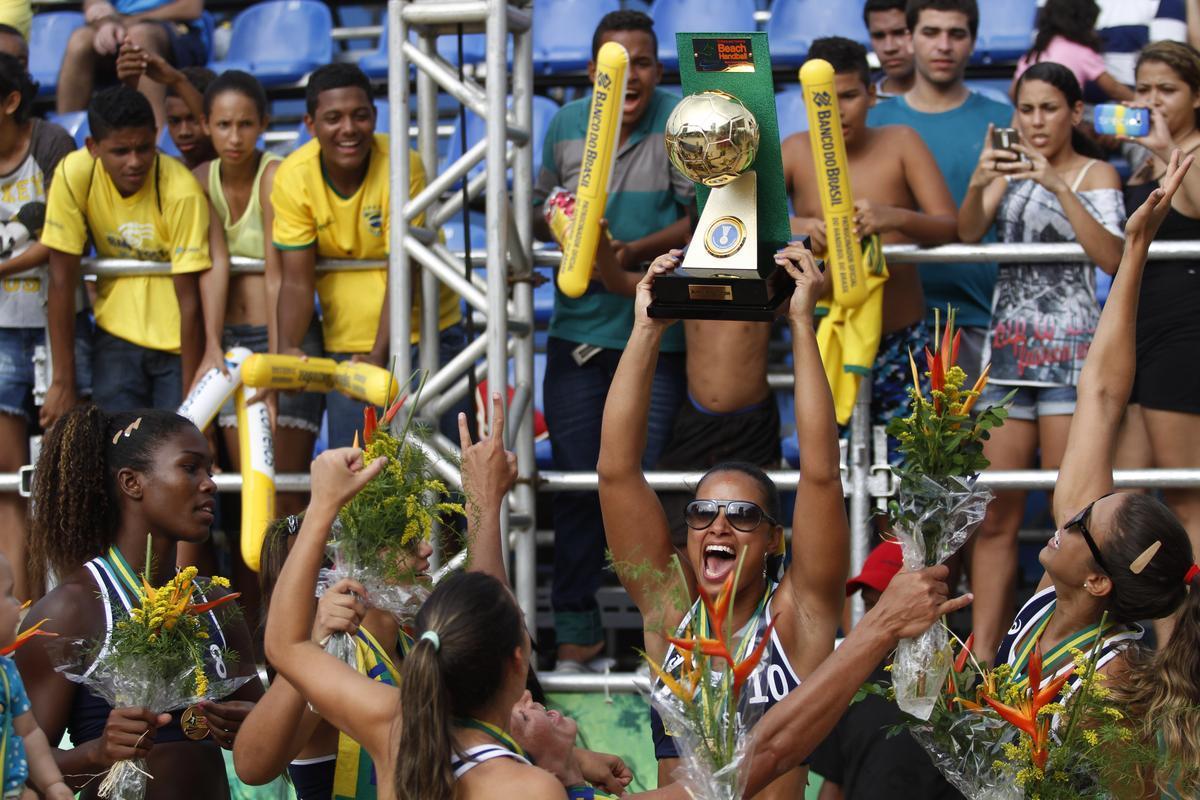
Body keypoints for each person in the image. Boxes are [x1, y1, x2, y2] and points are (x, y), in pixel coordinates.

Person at [599, 243, 847, 800]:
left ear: (774, 537)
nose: (718, 526)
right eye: (702, 513)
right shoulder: (670, 610)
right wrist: (647, 330)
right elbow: (616, 472)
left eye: (741, 515)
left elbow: (822, 476)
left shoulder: (800, 616)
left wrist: (802, 323)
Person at [988, 148, 1200, 798]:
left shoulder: (1114, 682)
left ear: (1098, 581)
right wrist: (1136, 249)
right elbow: (1102, 395)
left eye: (1084, 522)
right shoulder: (1074, 578)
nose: (1071, 509)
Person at [234, 393, 532, 800]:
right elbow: (252, 765)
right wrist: (317, 642)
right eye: (407, 541)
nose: (426, 550)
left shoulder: (421, 647)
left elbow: (493, 628)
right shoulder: (340, 653)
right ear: (352, 558)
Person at [531, 9, 692, 670]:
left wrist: (625, 255)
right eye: (615, 63)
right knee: (574, 490)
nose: (630, 74)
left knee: (636, 490)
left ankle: (657, 638)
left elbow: (697, 219)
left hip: (652, 338)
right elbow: (545, 203)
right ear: (594, 70)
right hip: (575, 338)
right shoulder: (567, 123)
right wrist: (572, 229)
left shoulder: (684, 119)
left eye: (643, 61)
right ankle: (577, 635)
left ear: (658, 67)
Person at [958, 62, 1126, 659]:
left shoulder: (1098, 171)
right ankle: (983, 658)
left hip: (1071, 362)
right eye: (1025, 109)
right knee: (995, 519)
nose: (1035, 121)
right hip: (1006, 360)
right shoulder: (1006, 168)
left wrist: (1058, 183)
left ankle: (1063, 652)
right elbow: (967, 230)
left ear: (1075, 113)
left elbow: (1112, 257)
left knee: (1070, 524)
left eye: (1048, 108)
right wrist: (982, 181)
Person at [14, 405, 262, 800]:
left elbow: (268, 752)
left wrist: (254, 727)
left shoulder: (216, 603)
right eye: (191, 468)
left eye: (210, 471)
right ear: (132, 483)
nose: (210, 484)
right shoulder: (70, 610)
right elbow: (15, 774)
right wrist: (95, 753)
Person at [272, 63, 464, 450]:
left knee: (444, 474)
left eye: (360, 115)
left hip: (426, 335)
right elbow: (295, 279)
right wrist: (288, 347)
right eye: (333, 118)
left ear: (374, 117)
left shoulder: (402, 164)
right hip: (346, 348)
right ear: (310, 124)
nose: (348, 128)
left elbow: (403, 270)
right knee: (360, 480)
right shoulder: (294, 176)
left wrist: (380, 354)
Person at [783, 37, 957, 450]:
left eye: (848, 96)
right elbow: (749, 222)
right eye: (823, 98)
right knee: (831, 473)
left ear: (872, 94)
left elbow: (950, 226)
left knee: (911, 477)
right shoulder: (793, 151)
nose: (837, 109)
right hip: (827, 337)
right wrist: (802, 225)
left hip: (903, 341)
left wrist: (893, 217)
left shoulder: (901, 142)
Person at [40, 85, 209, 424]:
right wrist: (62, 381)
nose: (134, 162)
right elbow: (61, 279)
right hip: (114, 336)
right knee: (117, 455)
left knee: (172, 451)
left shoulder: (181, 190)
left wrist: (194, 406)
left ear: (156, 137)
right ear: (93, 147)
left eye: (144, 148)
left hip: (178, 345)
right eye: (120, 151)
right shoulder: (74, 174)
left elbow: (190, 302)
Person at [192, 71, 320, 508]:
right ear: (207, 124)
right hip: (228, 345)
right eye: (224, 125)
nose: (234, 137)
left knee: (282, 493)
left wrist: (280, 355)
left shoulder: (275, 175)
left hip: (281, 335)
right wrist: (211, 344)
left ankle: (292, 580)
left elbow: (277, 274)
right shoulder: (198, 178)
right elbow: (213, 266)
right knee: (251, 493)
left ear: (264, 124)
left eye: (245, 124)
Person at [868, 0, 1013, 383]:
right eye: (931, 32)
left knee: (975, 442)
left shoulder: (1005, 121)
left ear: (973, 41)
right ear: (910, 38)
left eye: (957, 34)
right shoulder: (872, 121)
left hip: (980, 313)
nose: (944, 45)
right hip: (888, 318)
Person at [1119, 41, 1200, 621]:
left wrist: (1170, 149)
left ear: (1196, 97)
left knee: (1184, 498)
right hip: (1140, 328)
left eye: (1166, 90)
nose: (1152, 101)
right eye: (1143, 89)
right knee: (1123, 497)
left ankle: (1183, 650)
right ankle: (1134, 644)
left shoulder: (1186, 150)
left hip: (1185, 330)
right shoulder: (1145, 156)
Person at [0, 54, 76, 601]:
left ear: (10, 102)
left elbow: (63, 237)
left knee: (66, 478)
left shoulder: (51, 144)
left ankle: (71, 614)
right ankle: (20, 616)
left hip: (62, 329)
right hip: (2, 331)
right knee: (7, 481)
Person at [809, 541, 965, 800]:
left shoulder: (960, 683)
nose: (879, 617)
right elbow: (834, 784)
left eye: (887, 604)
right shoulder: (852, 681)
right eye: (871, 605)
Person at [56, 0, 209, 125]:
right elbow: (93, 4)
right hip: (120, 23)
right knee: (80, 40)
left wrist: (133, 20)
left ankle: (157, 138)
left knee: (139, 36)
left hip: (177, 29)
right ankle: (64, 141)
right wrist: (105, 23)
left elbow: (191, 8)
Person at [0, 554, 74, 800]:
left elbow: (29, 732)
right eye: (8, 595)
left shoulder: (7, 674)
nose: (17, 604)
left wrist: (52, 783)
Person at [115, 39, 213, 169]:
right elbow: (114, 138)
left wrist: (177, 81)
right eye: (174, 121)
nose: (184, 132)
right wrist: (129, 86)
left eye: (193, 119)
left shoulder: (240, 168)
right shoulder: (166, 169)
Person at [1014, 0, 1135, 102]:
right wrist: (1140, 103)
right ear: (1083, 23)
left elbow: (1013, 92)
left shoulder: (1037, 51)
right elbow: (1114, 89)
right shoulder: (1082, 52)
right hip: (1063, 123)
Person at [1093, 0, 1188, 97]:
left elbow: (1168, 61)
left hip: (1142, 103)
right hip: (1084, 103)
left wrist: (1140, 103)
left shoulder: (1165, 3)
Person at [864, 0, 914, 99]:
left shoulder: (951, 99)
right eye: (879, 36)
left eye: (899, 33)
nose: (889, 47)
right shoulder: (861, 105)